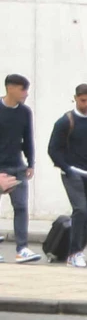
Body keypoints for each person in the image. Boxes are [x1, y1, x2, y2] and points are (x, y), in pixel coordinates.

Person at [47, 84, 87, 269]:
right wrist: (67, 168)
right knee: (80, 210)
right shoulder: (66, 121)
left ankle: (77, 251)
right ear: (75, 98)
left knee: (85, 217)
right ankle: (74, 253)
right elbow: (53, 149)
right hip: (74, 173)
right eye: (83, 100)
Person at [0, 73, 40, 263]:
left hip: (17, 166)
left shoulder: (25, 112)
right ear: (10, 88)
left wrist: (30, 162)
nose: (25, 94)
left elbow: (28, 138)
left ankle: (22, 248)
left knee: (22, 207)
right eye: (22, 89)